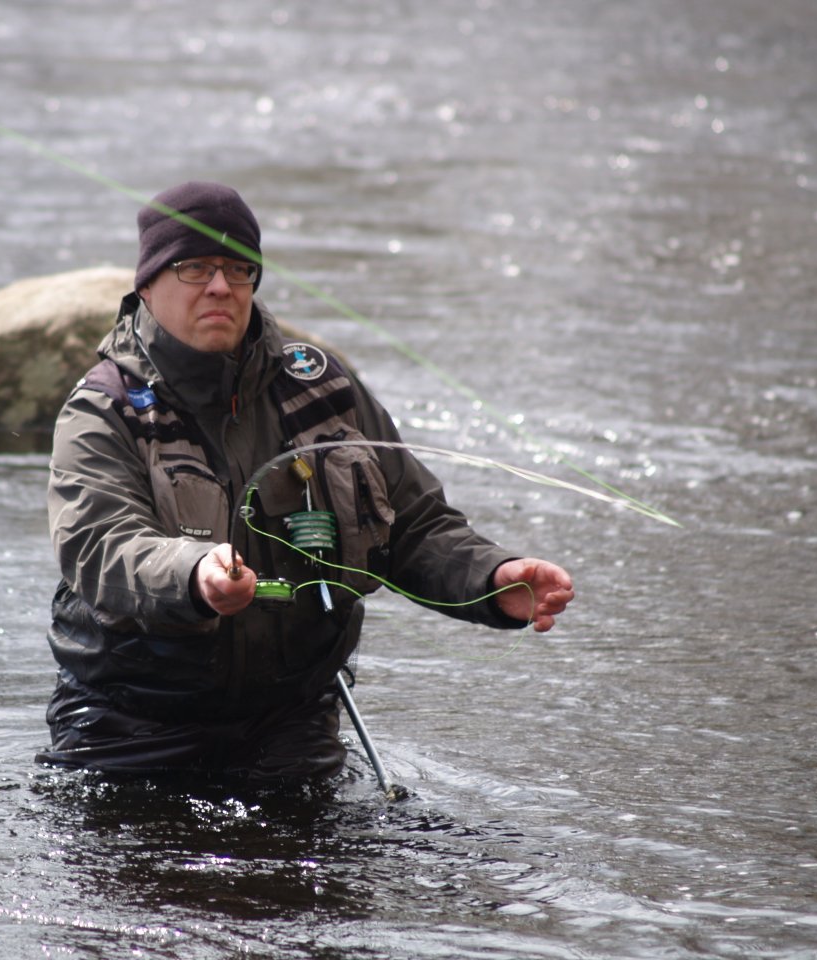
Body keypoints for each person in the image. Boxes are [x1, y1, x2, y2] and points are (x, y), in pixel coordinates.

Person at [38, 181, 573, 781]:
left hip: (291, 722)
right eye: (195, 268)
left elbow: (415, 525)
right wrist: (193, 574)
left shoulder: (322, 388)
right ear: (147, 284)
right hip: (130, 724)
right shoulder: (103, 408)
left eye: (239, 269)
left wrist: (491, 579)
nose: (220, 286)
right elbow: (98, 545)